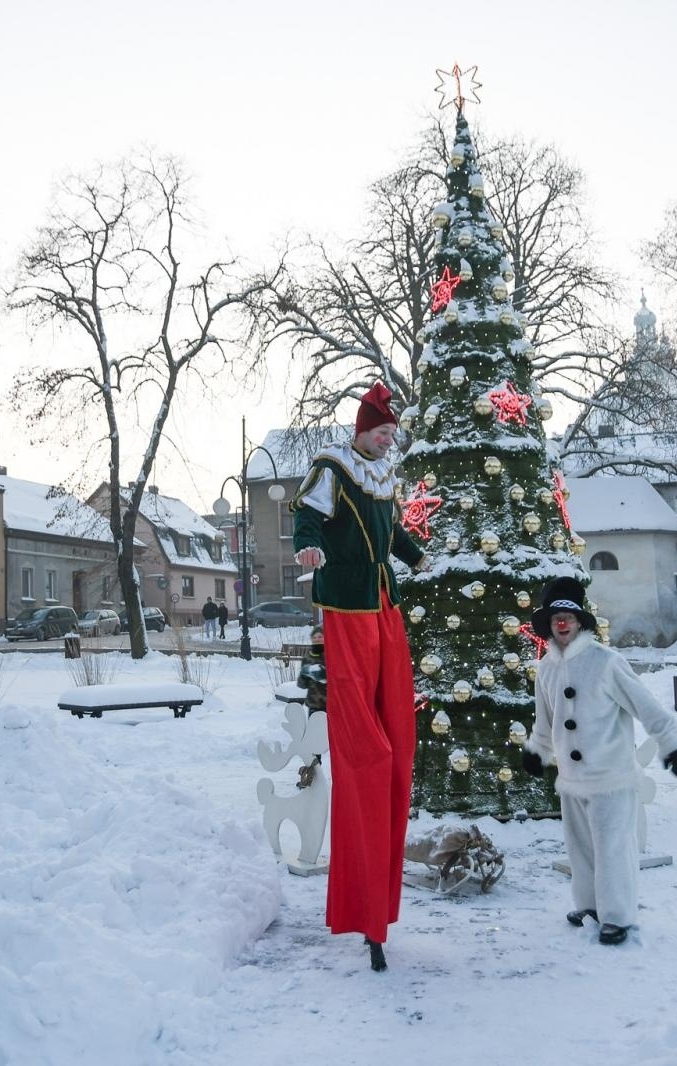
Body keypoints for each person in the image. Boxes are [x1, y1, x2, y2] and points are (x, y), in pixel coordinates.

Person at [291, 381, 428, 973]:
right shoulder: (334, 469)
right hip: (346, 609)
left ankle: (381, 907)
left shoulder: (383, 477)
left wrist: (419, 557)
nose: (388, 439)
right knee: (365, 749)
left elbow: (389, 535)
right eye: (382, 431)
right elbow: (307, 521)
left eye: (392, 433)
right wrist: (307, 551)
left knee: (397, 729)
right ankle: (362, 907)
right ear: (362, 430)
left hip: (384, 607)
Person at [522, 576, 677, 946]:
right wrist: (536, 751)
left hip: (610, 779)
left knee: (613, 850)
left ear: (581, 622)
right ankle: (589, 906)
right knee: (581, 849)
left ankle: (617, 917)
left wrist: (673, 744)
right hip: (571, 780)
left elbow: (646, 707)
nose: (562, 623)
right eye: (556, 616)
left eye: (568, 617)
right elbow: (545, 720)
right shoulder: (546, 669)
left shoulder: (606, 663)